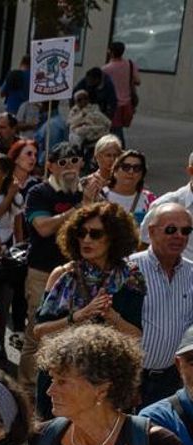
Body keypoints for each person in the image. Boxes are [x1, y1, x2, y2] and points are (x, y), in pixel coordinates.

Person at [32, 324, 193, 445]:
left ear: (102, 388)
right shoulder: (43, 440)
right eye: (52, 379)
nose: (50, 391)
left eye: (62, 382)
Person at [31, 201, 145, 415]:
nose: (86, 240)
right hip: (61, 378)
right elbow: (39, 331)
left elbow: (135, 336)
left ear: (113, 237)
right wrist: (80, 316)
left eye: (95, 234)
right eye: (81, 233)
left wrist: (111, 316)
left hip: (106, 381)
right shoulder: (63, 275)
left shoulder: (130, 279)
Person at [20, 142, 98, 387]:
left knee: (74, 332)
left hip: (80, 275)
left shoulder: (88, 193)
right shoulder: (39, 193)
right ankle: (28, 387)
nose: (69, 167)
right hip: (43, 272)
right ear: (50, 166)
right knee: (37, 332)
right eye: (62, 162)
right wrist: (79, 207)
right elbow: (43, 227)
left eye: (74, 160)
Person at [132, 203, 193, 408]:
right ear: (151, 231)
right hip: (131, 378)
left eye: (186, 230)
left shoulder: (191, 273)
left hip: (171, 380)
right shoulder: (129, 269)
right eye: (170, 229)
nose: (179, 236)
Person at [104, 148, 156, 227]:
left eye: (137, 168)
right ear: (115, 171)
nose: (131, 172)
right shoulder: (101, 195)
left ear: (142, 174)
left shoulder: (149, 199)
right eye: (126, 167)